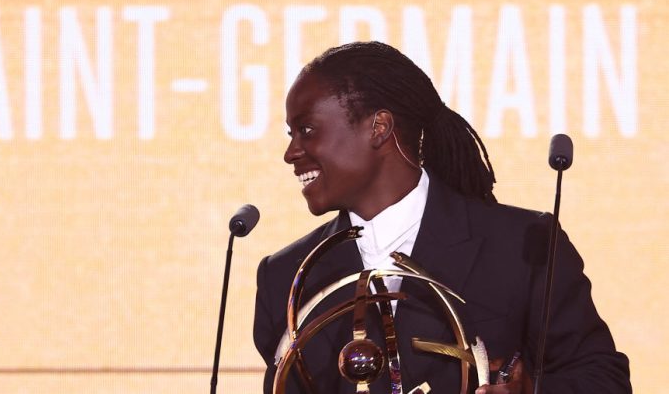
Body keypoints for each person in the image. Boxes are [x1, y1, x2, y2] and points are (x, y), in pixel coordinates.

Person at [253, 42, 631, 394]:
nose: (291, 153)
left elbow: (603, 379)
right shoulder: (286, 276)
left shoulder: (523, 246)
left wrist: (530, 389)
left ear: (378, 128)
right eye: (292, 134)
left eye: (306, 130)